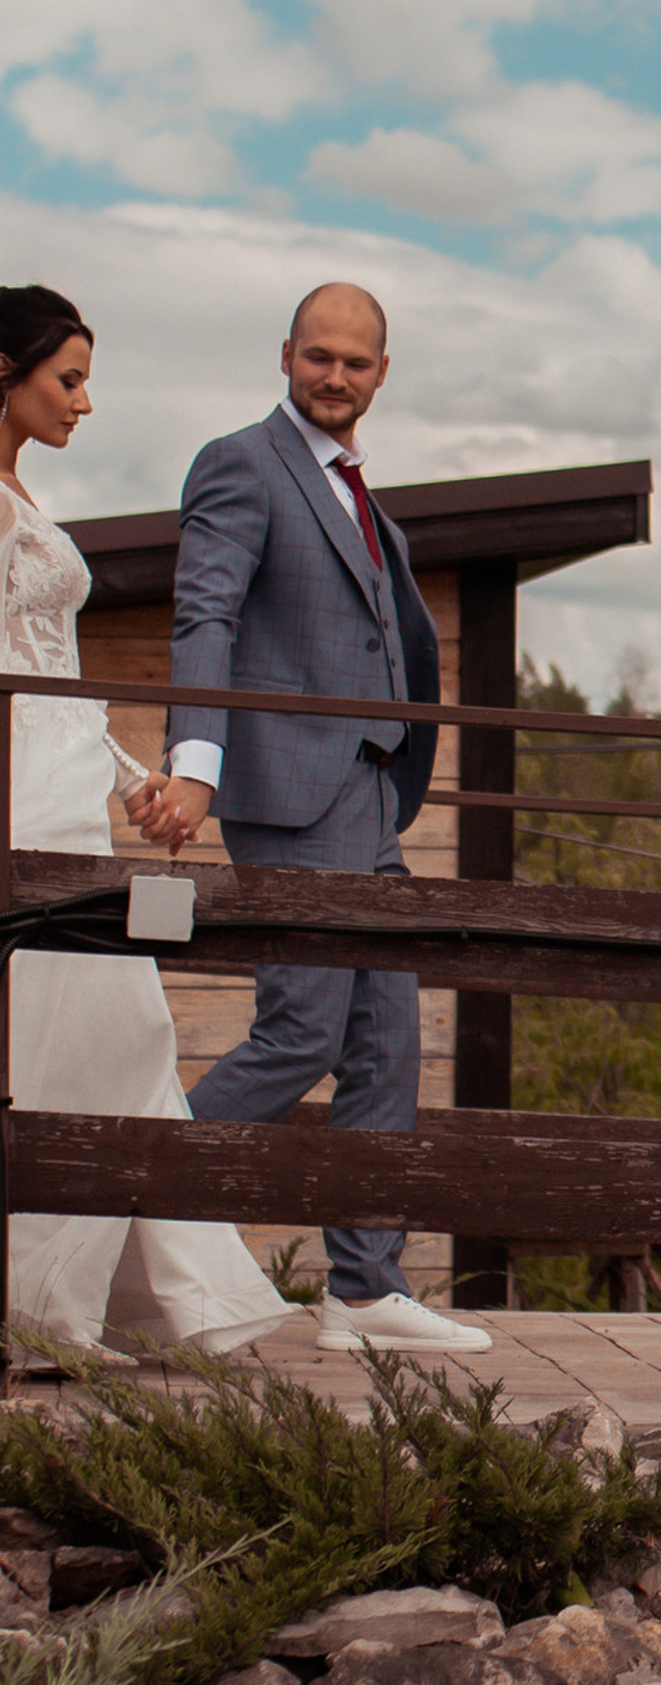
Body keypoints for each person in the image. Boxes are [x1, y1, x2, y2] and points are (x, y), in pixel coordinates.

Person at [128, 283, 491, 1355]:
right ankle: (116, 1202)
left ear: (383, 373)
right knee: (304, 1031)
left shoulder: (359, 494)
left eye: (357, 363)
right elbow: (205, 614)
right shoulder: (243, 462)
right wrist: (195, 762)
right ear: (287, 354)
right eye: (318, 357)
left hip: (367, 795)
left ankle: (365, 1290)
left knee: (387, 1037)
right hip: (290, 790)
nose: (335, 377)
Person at [0, 284, 289, 1354]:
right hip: (17, 795)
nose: (85, 402)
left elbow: (49, 671)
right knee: (87, 1029)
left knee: (103, 1032)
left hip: (65, 789)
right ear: (5, 371)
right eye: (68, 378)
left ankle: (107, 1299)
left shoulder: (22, 500)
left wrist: (135, 777)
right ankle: (43, 1308)